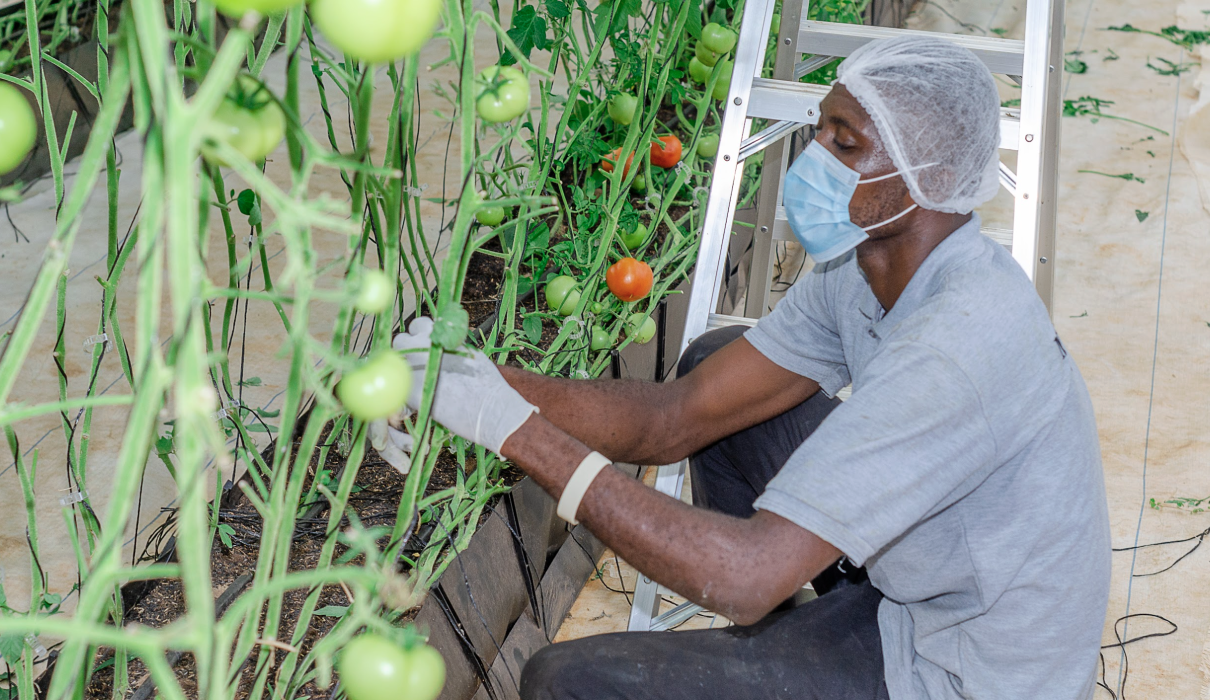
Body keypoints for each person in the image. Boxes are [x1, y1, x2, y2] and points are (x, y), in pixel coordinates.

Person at [379, 35, 1112, 700]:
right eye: (822, 126)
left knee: (567, 684)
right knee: (720, 371)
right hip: (920, 595)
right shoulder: (864, 266)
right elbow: (675, 418)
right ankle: (780, 653)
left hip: (971, 674)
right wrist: (470, 381)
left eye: (844, 142)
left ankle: (775, 661)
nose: (813, 153)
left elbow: (745, 578)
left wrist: (518, 435)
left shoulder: (957, 348)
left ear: (929, 177)